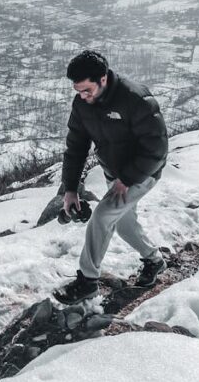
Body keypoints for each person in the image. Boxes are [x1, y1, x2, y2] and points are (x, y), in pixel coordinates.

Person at [54, 50, 169, 305]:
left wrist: (127, 179)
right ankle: (154, 260)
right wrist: (70, 189)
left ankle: (87, 281)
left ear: (103, 79)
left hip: (140, 173)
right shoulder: (82, 104)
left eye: (87, 90)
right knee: (125, 225)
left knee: (103, 216)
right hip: (114, 174)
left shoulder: (135, 99)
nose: (82, 96)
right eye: (78, 91)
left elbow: (157, 149)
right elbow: (75, 148)